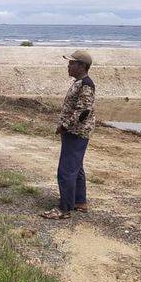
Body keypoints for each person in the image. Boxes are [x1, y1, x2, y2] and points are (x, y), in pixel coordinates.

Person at [41, 50, 96, 220]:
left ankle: (64, 208)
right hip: (74, 131)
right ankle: (79, 201)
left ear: (82, 66)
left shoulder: (86, 84)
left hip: (76, 132)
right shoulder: (79, 82)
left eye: (72, 63)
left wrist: (64, 126)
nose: (69, 66)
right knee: (76, 167)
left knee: (66, 170)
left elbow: (83, 111)